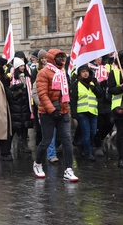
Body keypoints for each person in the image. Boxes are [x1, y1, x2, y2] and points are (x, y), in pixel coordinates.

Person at [33, 49, 79, 182]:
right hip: (47, 113)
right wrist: (52, 110)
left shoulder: (62, 72)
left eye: (62, 57)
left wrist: (66, 108)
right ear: (52, 59)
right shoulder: (43, 73)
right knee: (46, 141)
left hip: (63, 111)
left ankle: (68, 170)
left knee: (67, 141)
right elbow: (42, 94)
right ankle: (37, 163)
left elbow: (64, 93)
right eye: (58, 57)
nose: (61, 59)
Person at [69, 64, 103, 161]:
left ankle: (81, 145)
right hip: (82, 112)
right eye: (83, 72)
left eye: (87, 71)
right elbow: (73, 100)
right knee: (86, 133)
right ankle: (88, 153)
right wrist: (74, 113)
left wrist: (95, 88)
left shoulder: (94, 82)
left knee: (93, 132)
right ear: (79, 74)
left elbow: (100, 94)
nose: (85, 73)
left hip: (93, 111)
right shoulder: (75, 84)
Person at [9, 57, 34, 155]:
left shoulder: (27, 78)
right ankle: (8, 147)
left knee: (25, 126)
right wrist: (17, 87)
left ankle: (24, 145)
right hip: (16, 106)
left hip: (25, 105)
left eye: (23, 66)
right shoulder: (12, 77)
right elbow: (10, 89)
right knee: (15, 127)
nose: (23, 68)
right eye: (21, 66)